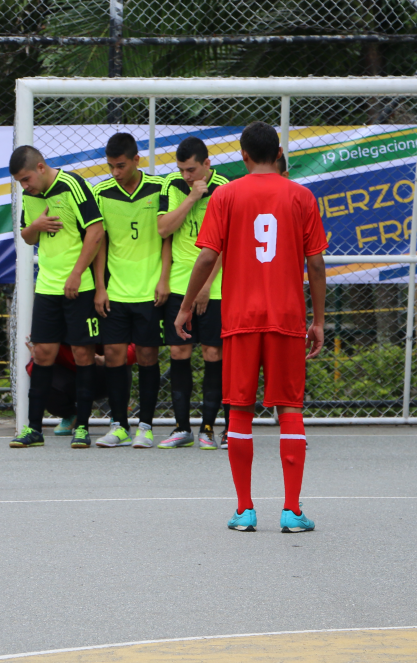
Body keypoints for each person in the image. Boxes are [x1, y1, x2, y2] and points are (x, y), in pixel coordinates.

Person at [175, 122, 328, 534]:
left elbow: (207, 259)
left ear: (243, 156)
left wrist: (187, 306)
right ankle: (292, 511)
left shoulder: (225, 195)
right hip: (287, 318)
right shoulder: (301, 196)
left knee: (239, 410)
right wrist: (318, 320)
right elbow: (315, 264)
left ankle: (244, 510)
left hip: (240, 319)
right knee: (290, 409)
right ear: (278, 153)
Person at [10, 145, 105, 449]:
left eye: (26, 179)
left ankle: (83, 427)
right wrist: (33, 227)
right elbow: (27, 236)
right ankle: (34, 429)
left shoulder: (73, 185)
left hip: (80, 285)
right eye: (20, 182)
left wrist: (77, 273)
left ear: (40, 167)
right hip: (47, 287)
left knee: (82, 354)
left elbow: (96, 231)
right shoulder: (31, 196)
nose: (25, 186)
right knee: (42, 354)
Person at [92, 133, 170, 449]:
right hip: (116, 290)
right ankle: (119, 424)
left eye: (121, 165)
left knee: (148, 355)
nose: (115, 172)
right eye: (110, 166)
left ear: (137, 160)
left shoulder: (160, 188)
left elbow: (168, 238)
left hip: (150, 289)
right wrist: (100, 287)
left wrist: (164, 279)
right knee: (113, 355)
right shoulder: (101, 193)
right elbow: (100, 242)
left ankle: (146, 426)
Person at [158, 137, 231, 450]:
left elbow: (228, 245)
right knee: (179, 353)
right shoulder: (172, 186)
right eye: (182, 169)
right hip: (177, 285)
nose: (186, 175)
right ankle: (181, 427)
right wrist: (191, 197)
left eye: (191, 170)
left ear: (207, 164)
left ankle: (209, 428)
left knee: (214, 354)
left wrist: (204, 287)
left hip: (214, 287)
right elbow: (163, 229)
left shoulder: (227, 189)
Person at [25, 341, 135, 429]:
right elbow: (32, 370)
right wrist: (39, 360)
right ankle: (71, 415)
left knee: (120, 358)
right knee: (42, 377)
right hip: (70, 378)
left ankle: (118, 415)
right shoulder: (52, 330)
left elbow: (135, 349)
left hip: (101, 372)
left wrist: (106, 359)